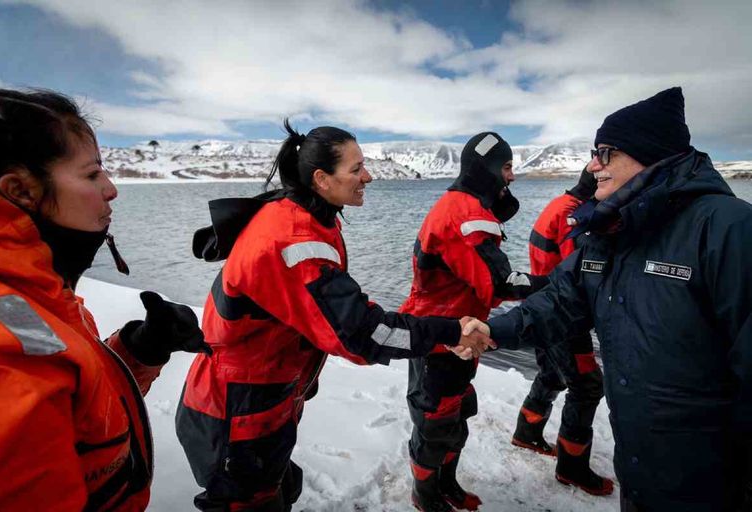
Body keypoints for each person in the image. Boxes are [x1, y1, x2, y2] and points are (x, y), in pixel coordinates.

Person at [175, 120, 493, 512]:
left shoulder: (302, 213)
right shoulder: (295, 242)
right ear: (322, 179)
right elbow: (362, 334)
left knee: (277, 488)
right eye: (356, 169)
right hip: (236, 411)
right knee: (249, 501)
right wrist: (450, 331)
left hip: (259, 399)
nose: (368, 177)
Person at [483, 87, 752, 511]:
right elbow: (560, 299)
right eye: (594, 154)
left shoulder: (728, 230)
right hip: (639, 471)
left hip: (711, 484)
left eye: (605, 153)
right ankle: (550, 448)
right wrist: (491, 331)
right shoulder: (609, 230)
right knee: (575, 383)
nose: (594, 165)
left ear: (648, 153)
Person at [0, 89, 210, 510]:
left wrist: (139, 350)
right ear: (21, 190)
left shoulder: (38, 299)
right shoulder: (1, 355)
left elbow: (73, 404)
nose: (111, 189)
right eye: (91, 175)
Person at [399, 132, 549, 511]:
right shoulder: (468, 215)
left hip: (456, 332)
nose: (512, 176)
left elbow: (479, 281)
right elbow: (502, 283)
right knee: (435, 422)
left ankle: (446, 484)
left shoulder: (460, 205)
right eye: (507, 167)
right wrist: (559, 284)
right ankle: (426, 495)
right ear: (488, 168)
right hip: (440, 338)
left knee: (456, 414)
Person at [510, 165, 614, 496]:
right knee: (588, 386)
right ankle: (572, 467)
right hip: (563, 315)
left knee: (552, 374)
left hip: (544, 306)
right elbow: (580, 273)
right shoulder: (574, 216)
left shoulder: (559, 204)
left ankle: (527, 432)